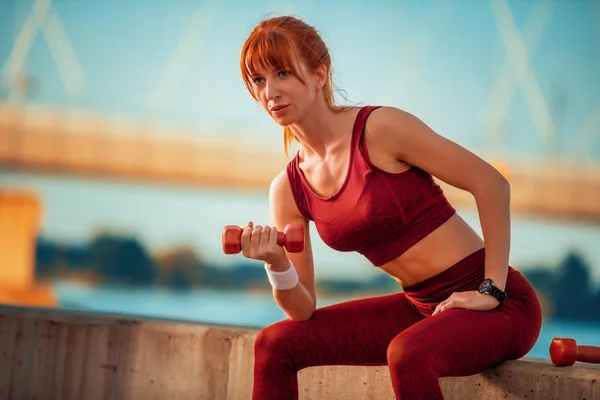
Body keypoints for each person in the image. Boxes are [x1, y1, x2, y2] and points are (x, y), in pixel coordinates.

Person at [237, 15, 542, 400]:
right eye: (258, 80)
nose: (270, 92)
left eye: (282, 72)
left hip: (502, 305)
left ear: (318, 74)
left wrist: (491, 289)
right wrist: (276, 263)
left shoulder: (380, 129)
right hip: (423, 307)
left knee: (407, 353)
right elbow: (301, 310)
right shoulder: (288, 189)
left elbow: (492, 185)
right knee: (274, 344)